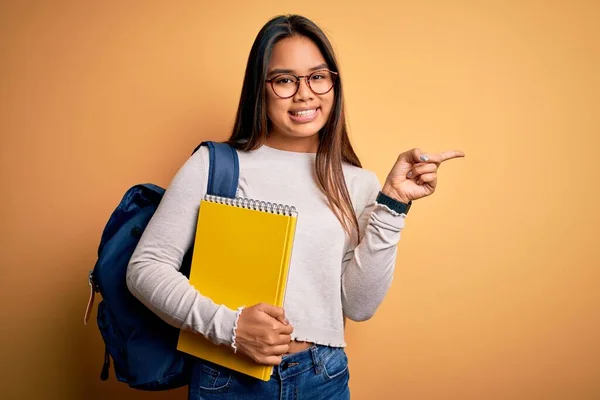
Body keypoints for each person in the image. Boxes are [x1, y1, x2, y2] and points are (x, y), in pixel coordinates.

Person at [126, 14, 464, 400]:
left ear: (333, 83)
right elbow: (145, 268)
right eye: (285, 80)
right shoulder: (214, 164)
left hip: (325, 376)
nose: (304, 94)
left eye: (317, 77)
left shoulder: (357, 181)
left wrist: (394, 204)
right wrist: (230, 327)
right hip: (229, 376)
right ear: (261, 89)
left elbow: (359, 305)